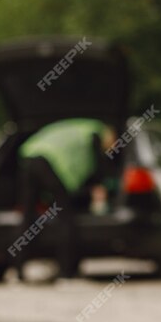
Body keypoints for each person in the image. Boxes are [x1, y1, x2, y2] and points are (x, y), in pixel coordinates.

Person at [18, 119, 117, 278]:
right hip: (50, 161)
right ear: (110, 135)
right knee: (66, 216)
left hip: (29, 155)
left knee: (28, 214)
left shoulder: (77, 126)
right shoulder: (94, 133)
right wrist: (99, 186)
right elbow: (97, 166)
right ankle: (66, 270)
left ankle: (19, 270)